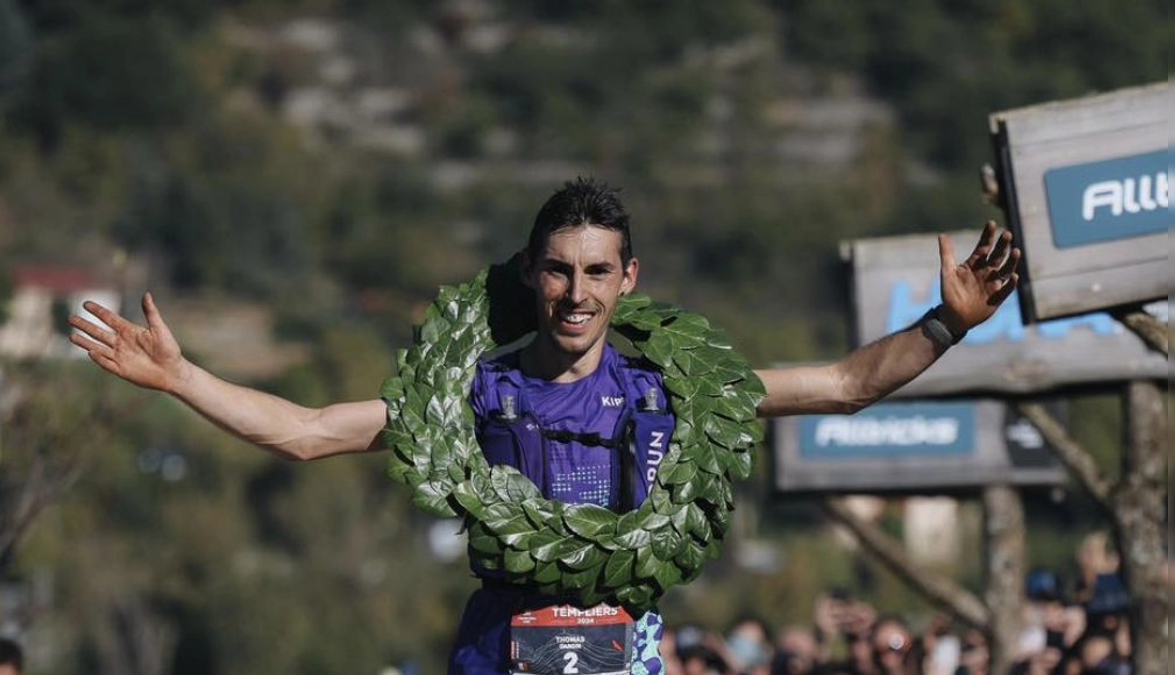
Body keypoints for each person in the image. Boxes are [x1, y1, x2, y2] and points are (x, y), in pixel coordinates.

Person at [68, 178, 1020, 674]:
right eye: (559, 269)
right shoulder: (473, 392)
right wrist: (182, 376)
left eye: (598, 271)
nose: (577, 291)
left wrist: (946, 325)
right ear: (531, 274)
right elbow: (310, 429)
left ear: (628, 280)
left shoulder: (670, 385)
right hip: (496, 650)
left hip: (624, 649)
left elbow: (845, 383)